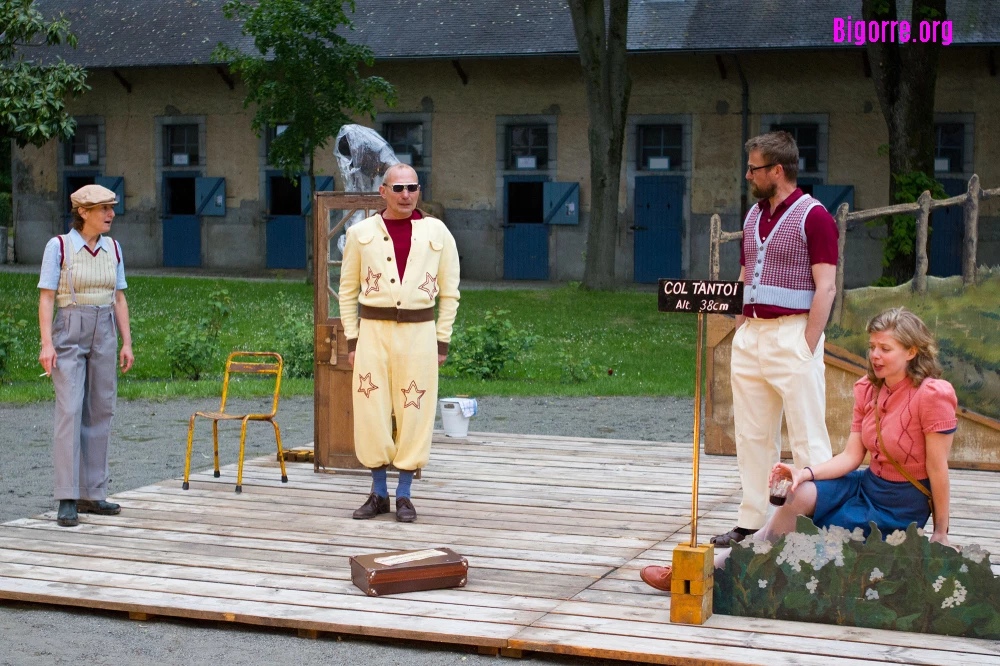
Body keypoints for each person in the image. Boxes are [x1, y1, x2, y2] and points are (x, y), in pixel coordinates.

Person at [641, 308, 957, 590]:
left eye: (885, 349)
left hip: (902, 504)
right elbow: (851, 456)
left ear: (912, 351)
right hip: (867, 486)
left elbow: (937, 469)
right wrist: (802, 472)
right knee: (797, 495)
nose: (875, 355)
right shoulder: (867, 388)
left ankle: (705, 572)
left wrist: (941, 532)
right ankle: (710, 569)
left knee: (816, 541)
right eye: (872, 347)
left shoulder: (933, 395)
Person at [712, 131, 839, 548]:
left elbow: (827, 287)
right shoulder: (753, 216)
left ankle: (817, 521)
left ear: (777, 170)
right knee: (751, 433)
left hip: (793, 332)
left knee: (807, 433)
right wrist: (734, 318)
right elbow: (748, 273)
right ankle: (750, 521)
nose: (748, 174)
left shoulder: (814, 216)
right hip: (751, 334)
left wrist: (807, 342)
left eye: (754, 168)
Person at [338, 163, 460, 523]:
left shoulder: (437, 232)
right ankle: (378, 492)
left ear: (419, 190)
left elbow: (450, 292)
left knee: (415, 410)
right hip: (373, 332)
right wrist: (352, 339)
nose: (406, 195)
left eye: (413, 188)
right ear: (384, 191)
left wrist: (442, 340)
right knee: (371, 407)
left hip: (418, 334)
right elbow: (347, 292)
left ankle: (404, 493)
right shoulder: (361, 233)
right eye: (399, 188)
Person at [37, 184, 134, 528]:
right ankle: (67, 496)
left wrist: (127, 342)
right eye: (103, 209)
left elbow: (119, 298)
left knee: (101, 408)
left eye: (111, 207)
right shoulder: (59, 246)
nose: (110, 214)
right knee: (70, 409)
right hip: (71, 326)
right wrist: (46, 343)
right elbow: (47, 297)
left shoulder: (114, 248)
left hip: (105, 326)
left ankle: (93, 492)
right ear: (83, 212)